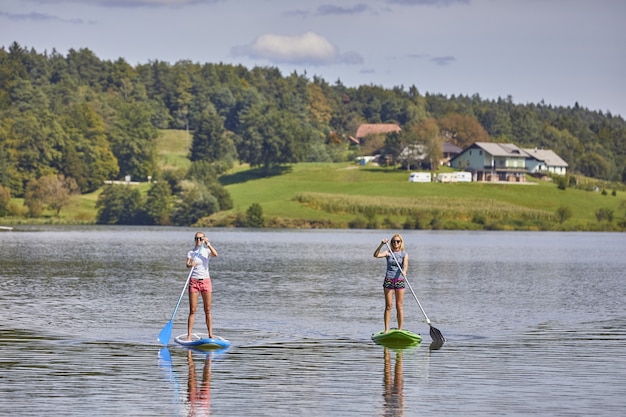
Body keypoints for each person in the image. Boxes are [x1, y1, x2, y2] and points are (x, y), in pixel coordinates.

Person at [186, 231, 218, 340]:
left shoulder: (206, 251)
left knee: (207, 309)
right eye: (196, 238)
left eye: (200, 238)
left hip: (205, 282)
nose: (198, 241)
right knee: (193, 310)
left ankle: (210, 334)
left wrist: (208, 243)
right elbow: (187, 264)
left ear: (203, 239)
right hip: (194, 282)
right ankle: (189, 335)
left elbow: (215, 254)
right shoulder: (191, 252)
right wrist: (191, 264)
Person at [373, 234, 408, 334]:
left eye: (398, 241)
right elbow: (375, 255)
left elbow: (405, 265)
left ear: (401, 243)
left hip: (400, 280)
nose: (396, 243)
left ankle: (400, 329)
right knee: (388, 306)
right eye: (393, 241)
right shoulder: (388, 252)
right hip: (389, 280)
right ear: (391, 243)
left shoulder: (404, 254)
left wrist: (404, 271)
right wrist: (381, 244)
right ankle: (387, 329)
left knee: (399, 306)